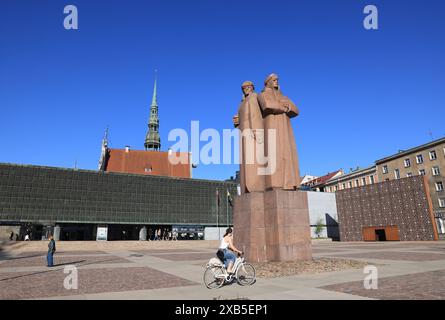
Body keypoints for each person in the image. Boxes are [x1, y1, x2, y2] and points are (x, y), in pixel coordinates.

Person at [258, 73, 301, 190]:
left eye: (277, 80)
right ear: (268, 82)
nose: (276, 81)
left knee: (287, 154)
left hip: (285, 128)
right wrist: (283, 107)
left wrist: (287, 107)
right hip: (271, 126)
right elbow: (267, 105)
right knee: (274, 153)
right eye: (274, 80)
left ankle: (289, 183)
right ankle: (275, 184)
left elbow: (296, 110)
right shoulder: (262, 94)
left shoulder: (284, 96)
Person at [233, 81, 265, 194]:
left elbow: (256, 114)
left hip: (253, 132)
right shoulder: (241, 103)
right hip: (243, 133)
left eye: (247, 87)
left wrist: (256, 130)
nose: (245, 89)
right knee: (245, 161)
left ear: (252, 87)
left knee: (254, 160)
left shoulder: (255, 96)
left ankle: (255, 186)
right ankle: (245, 187)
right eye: (243, 88)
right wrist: (236, 121)